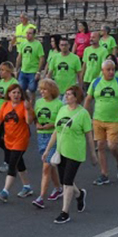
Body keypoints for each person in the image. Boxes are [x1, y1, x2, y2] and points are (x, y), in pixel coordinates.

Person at [42, 85, 95, 224]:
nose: (66, 96)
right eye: (66, 94)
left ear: (76, 97)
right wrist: (48, 150)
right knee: (65, 181)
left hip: (75, 152)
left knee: (67, 182)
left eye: (70, 94)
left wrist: (93, 153)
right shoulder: (62, 109)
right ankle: (79, 194)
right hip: (61, 151)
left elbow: (89, 135)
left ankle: (65, 212)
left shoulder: (83, 114)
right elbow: (56, 131)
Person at [0, 81, 34, 202]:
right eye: (14, 92)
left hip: (21, 139)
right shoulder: (5, 105)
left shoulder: (24, 105)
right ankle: (27, 187)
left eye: (18, 93)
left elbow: (29, 122)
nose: (16, 95)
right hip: (9, 139)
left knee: (12, 164)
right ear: (9, 94)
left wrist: (28, 109)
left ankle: (5, 192)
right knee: (19, 163)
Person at [85, 60, 118, 185]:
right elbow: (88, 99)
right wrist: (86, 115)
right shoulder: (96, 82)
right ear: (102, 71)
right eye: (108, 70)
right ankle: (104, 174)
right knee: (100, 146)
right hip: (98, 119)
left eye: (113, 69)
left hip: (114, 120)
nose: (111, 72)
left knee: (112, 146)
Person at [31, 79, 64, 209]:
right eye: (41, 89)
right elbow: (34, 117)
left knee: (46, 166)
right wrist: (37, 123)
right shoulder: (39, 102)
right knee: (50, 165)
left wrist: (51, 125)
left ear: (51, 90)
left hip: (53, 136)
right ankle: (58, 188)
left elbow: (61, 122)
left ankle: (41, 198)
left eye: (45, 89)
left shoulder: (59, 104)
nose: (42, 91)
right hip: (41, 136)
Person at [16, 27, 45, 94]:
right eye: (27, 33)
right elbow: (19, 57)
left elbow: (41, 59)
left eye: (30, 33)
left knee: (32, 89)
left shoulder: (38, 44)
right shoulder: (23, 43)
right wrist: (17, 69)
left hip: (33, 71)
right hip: (23, 70)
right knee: (21, 89)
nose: (28, 35)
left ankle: (31, 101)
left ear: (34, 35)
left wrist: (38, 72)